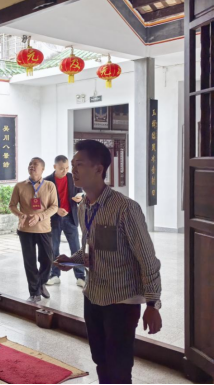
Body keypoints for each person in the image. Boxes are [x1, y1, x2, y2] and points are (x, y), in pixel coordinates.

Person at [55, 140, 162, 385]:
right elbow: (91, 251)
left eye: (79, 164)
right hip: (93, 296)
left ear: (98, 169)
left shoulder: (125, 208)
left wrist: (153, 304)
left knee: (119, 366)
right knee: (100, 359)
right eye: (73, 164)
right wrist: (72, 260)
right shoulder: (84, 207)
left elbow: (147, 258)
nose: (74, 170)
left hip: (121, 301)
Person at [9, 158, 59, 303]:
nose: (32, 166)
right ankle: (34, 292)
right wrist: (20, 215)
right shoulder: (19, 186)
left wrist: (39, 216)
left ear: (42, 169)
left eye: (35, 165)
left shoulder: (49, 186)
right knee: (29, 262)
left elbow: (54, 206)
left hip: (44, 229)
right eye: (30, 164)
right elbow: (12, 205)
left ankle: (41, 283)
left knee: (48, 260)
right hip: (25, 230)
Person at [45, 155, 86, 288]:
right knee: (53, 248)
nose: (65, 171)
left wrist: (80, 199)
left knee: (76, 248)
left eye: (67, 168)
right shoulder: (47, 181)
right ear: (55, 167)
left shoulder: (73, 177)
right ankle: (54, 275)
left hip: (70, 217)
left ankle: (80, 276)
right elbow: (43, 202)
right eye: (62, 168)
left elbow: (81, 193)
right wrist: (56, 210)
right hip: (54, 219)